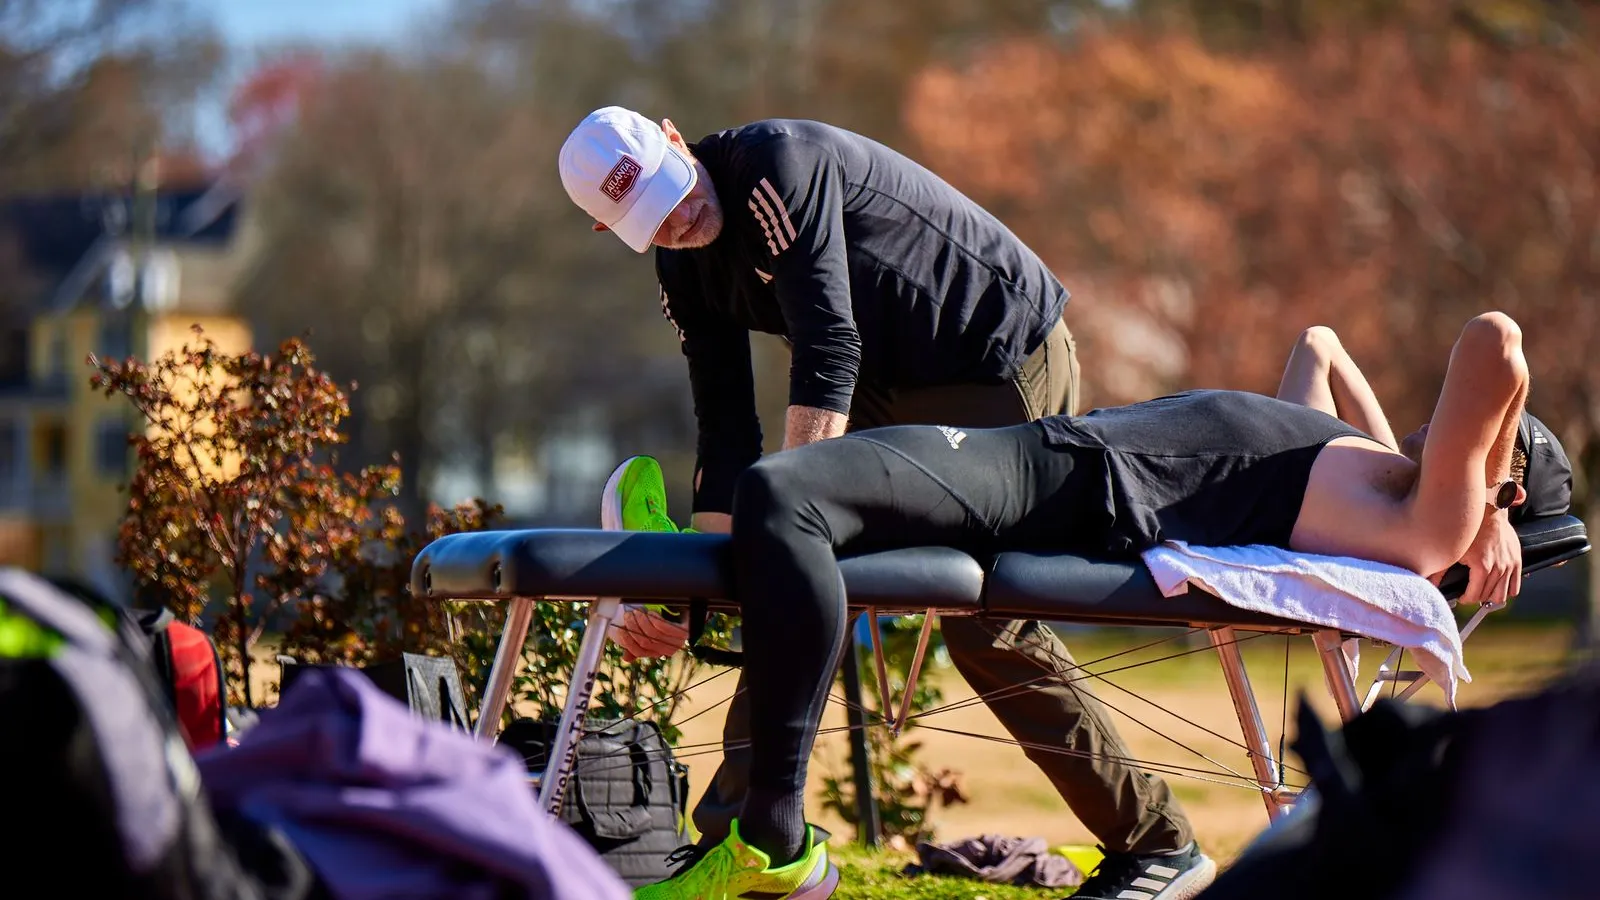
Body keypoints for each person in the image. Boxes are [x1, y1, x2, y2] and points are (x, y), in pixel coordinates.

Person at [613, 309, 1564, 900]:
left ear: (1499, 482)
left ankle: (770, 832)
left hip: (1062, 480)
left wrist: (1488, 504)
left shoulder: (1427, 526)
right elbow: (1317, 344)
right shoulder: (1377, 474)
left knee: (784, 493)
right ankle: (682, 613)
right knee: (798, 511)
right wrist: (1444, 453)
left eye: (1485, 453)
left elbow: (1495, 341)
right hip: (1061, 456)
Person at [559, 107, 1208, 897]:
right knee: (792, 584)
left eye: (678, 193)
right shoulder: (682, 268)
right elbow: (726, 428)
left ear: (672, 135)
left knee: (985, 616)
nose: (680, 222)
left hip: (996, 360)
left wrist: (785, 524)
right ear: (609, 230)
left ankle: (1159, 847)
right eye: (652, 223)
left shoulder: (775, 168)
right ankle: (751, 843)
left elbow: (828, 346)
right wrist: (693, 592)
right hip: (882, 384)